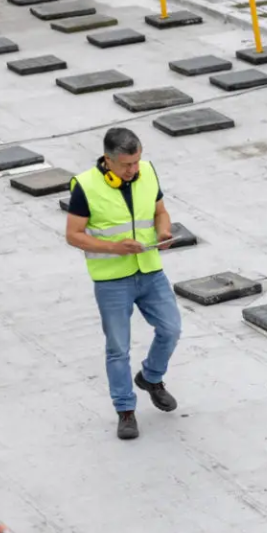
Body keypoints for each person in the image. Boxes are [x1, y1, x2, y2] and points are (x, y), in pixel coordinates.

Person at [65, 127, 182, 440]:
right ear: (108, 161)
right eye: (127, 165)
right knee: (118, 348)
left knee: (171, 329)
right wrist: (116, 247)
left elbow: (160, 212)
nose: (134, 170)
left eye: (137, 162)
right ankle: (125, 410)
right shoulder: (86, 187)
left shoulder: (147, 172)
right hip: (112, 281)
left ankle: (151, 377)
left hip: (150, 270)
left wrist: (164, 233)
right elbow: (73, 235)